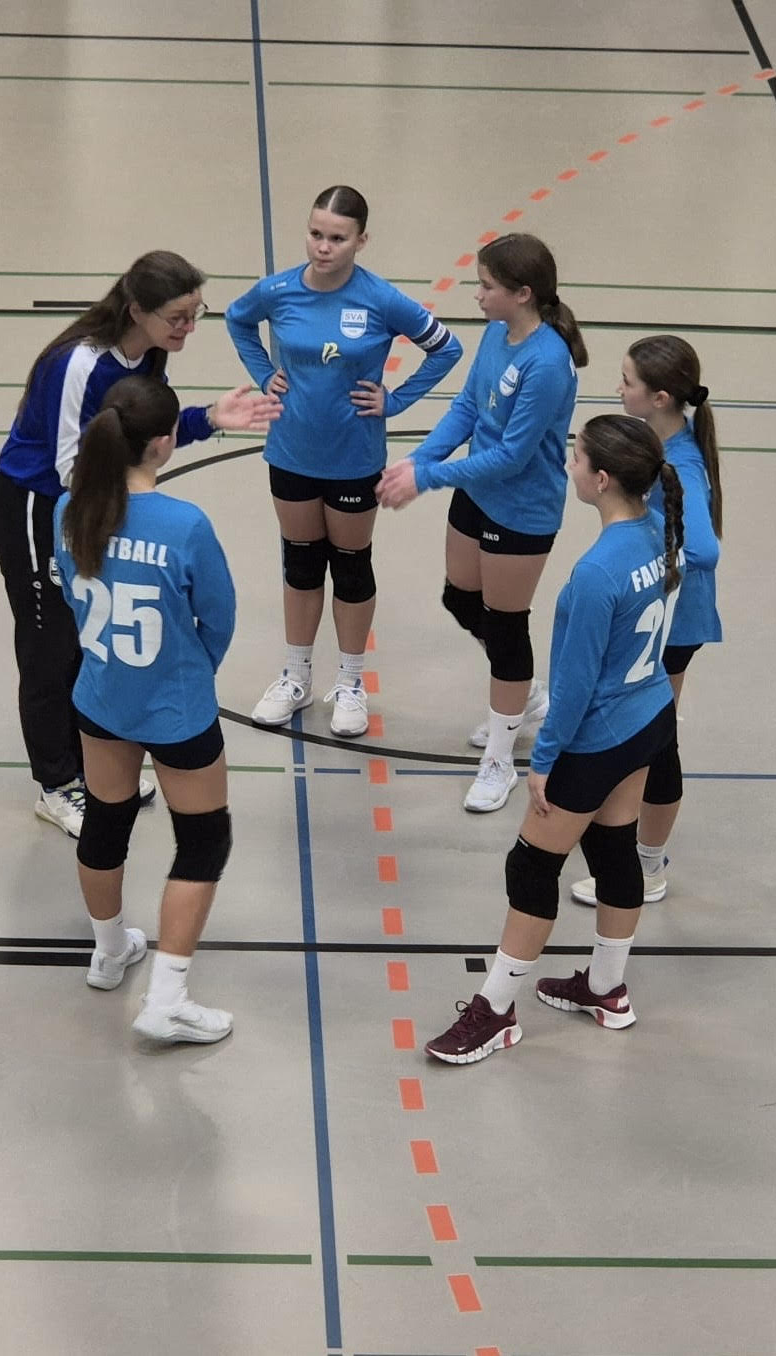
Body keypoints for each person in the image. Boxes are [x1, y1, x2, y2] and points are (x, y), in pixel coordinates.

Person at [0, 251, 279, 838]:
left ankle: (91, 765)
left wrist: (207, 418)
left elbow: (139, 436)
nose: (188, 328)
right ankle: (56, 784)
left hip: (93, 504)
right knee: (47, 646)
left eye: (196, 314)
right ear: (137, 310)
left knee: (85, 634)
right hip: (40, 506)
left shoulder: (148, 353)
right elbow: (71, 465)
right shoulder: (79, 364)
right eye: (177, 317)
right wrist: (131, 519)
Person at [424, 415, 683, 1064]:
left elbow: (571, 689)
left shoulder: (596, 574)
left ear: (602, 479)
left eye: (576, 458)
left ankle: (495, 1011)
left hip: (597, 740)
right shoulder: (659, 531)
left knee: (532, 866)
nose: (568, 466)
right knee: (614, 849)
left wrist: (542, 760)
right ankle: (606, 988)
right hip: (650, 716)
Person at [225, 185, 463, 737]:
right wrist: (264, 374)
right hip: (290, 451)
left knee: (351, 565)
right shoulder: (279, 290)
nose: (323, 247)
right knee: (301, 563)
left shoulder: (381, 299)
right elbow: (238, 320)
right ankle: (296, 675)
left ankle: (351, 682)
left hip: (354, 457)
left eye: (337, 238)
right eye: (316, 234)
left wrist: (395, 400)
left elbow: (446, 348)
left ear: (361, 240)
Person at [54, 376, 238, 1044]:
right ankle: (167, 998)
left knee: (107, 821)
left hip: (102, 697)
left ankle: (108, 953)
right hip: (176, 709)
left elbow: (70, 595)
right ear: (163, 443)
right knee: (204, 839)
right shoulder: (185, 524)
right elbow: (218, 617)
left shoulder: (70, 509)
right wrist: (189, 671)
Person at [376, 232, 586, 812]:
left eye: (487, 286)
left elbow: (514, 456)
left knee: (506, 626)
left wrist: (428, 479)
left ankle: (500, 759)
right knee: (460, 598)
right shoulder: (497, 333)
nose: (477, 295)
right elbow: (468, 406)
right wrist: (419, 459)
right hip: (477, 492)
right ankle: (524, 695)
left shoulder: (547, 363)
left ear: (522, 293)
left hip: (522, 509)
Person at [570, 335, 722, 907]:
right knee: (649, 733)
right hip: (656, 614)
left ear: (659, 397)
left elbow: (704, 549)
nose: (618, 388)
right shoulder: (657, 443)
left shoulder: (680, 462)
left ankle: (648, 865)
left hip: (672, 623)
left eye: (627, 381)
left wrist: (648, 553)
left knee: (657, 740)